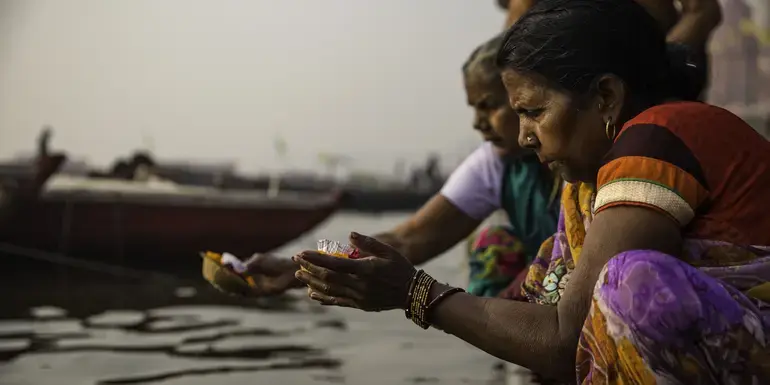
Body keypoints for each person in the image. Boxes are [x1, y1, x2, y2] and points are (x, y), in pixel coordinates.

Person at [292, 0, 770, 382]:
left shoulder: (657, 138)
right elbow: (535, 310)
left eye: (534, 112)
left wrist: (414, 292)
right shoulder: (589, 181)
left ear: (606, 97)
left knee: (630, 283)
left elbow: (567, 339)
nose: (523, 137)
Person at [224, 35, 561, 300]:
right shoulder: (495, 162)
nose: (477, 123)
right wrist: (301, 267)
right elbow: (406, 239)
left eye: (489, 106)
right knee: (492, 247)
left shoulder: (577, 160)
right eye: (474, 108)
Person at [500, 0, 722, 101]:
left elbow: (704, 11)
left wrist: (656, 66)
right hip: (575, 101)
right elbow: (514, 43)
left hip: (657, 92)